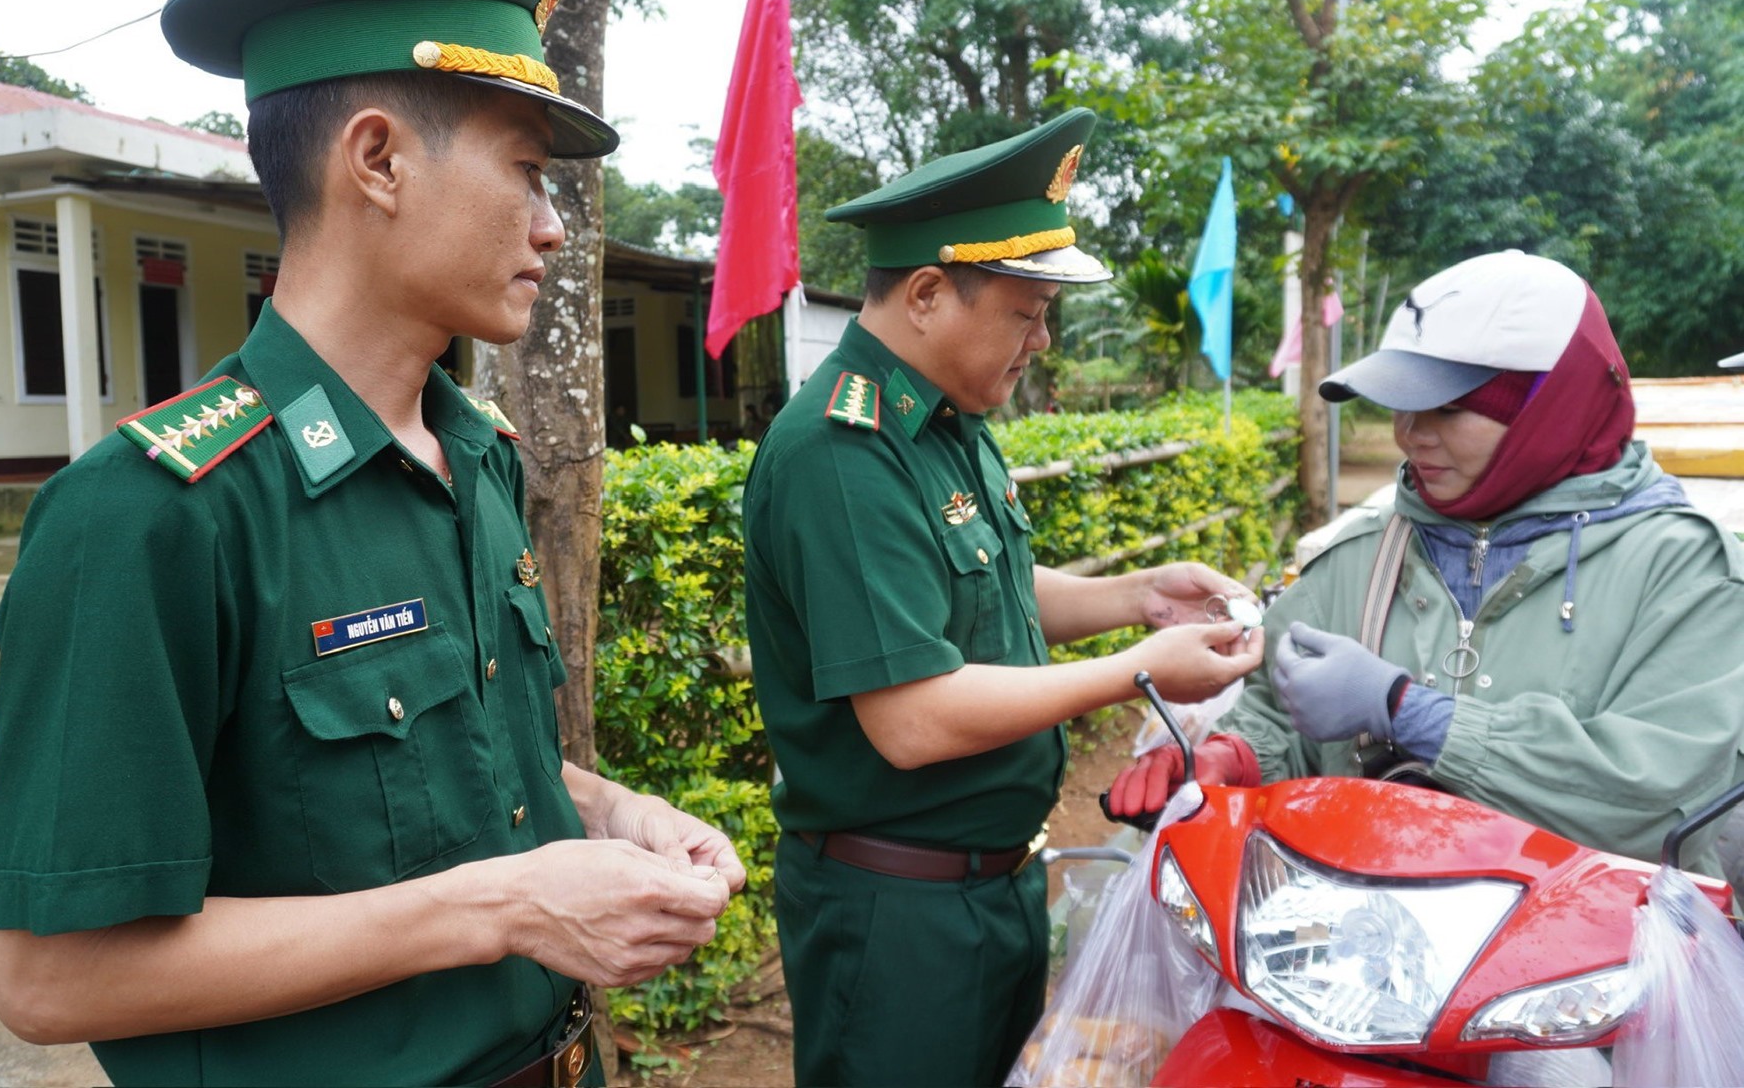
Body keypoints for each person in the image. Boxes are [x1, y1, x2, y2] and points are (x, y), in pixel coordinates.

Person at [0, 0, 743, 1087]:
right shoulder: (155, 514)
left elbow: (457, 770)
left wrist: (606, 812)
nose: (551, 228)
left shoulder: (477, 458)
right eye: (527, 171)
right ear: (377, 159)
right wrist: (500, 904)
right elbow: (47, 977)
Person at [742, 108, 1266, 1088]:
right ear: (931, 294)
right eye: (1024, 312)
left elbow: (986, 584)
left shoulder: (945, 418)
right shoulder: (841, 451)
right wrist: (1134, 673)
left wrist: (1138, 596)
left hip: (990, 881)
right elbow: (911, 717)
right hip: (895, 911)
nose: (1040, 340)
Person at [1104, 251, 1744, 882]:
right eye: (1400, 405)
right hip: (1371, 959)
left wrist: (1408, 710)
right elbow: (1280, 712)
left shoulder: (1687, 573)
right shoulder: (1361, 558)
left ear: (1553, 407)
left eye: (1448, 408)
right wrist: (1231, 757)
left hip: (1594, 970)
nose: (1410, 434)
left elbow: (1658, 795)